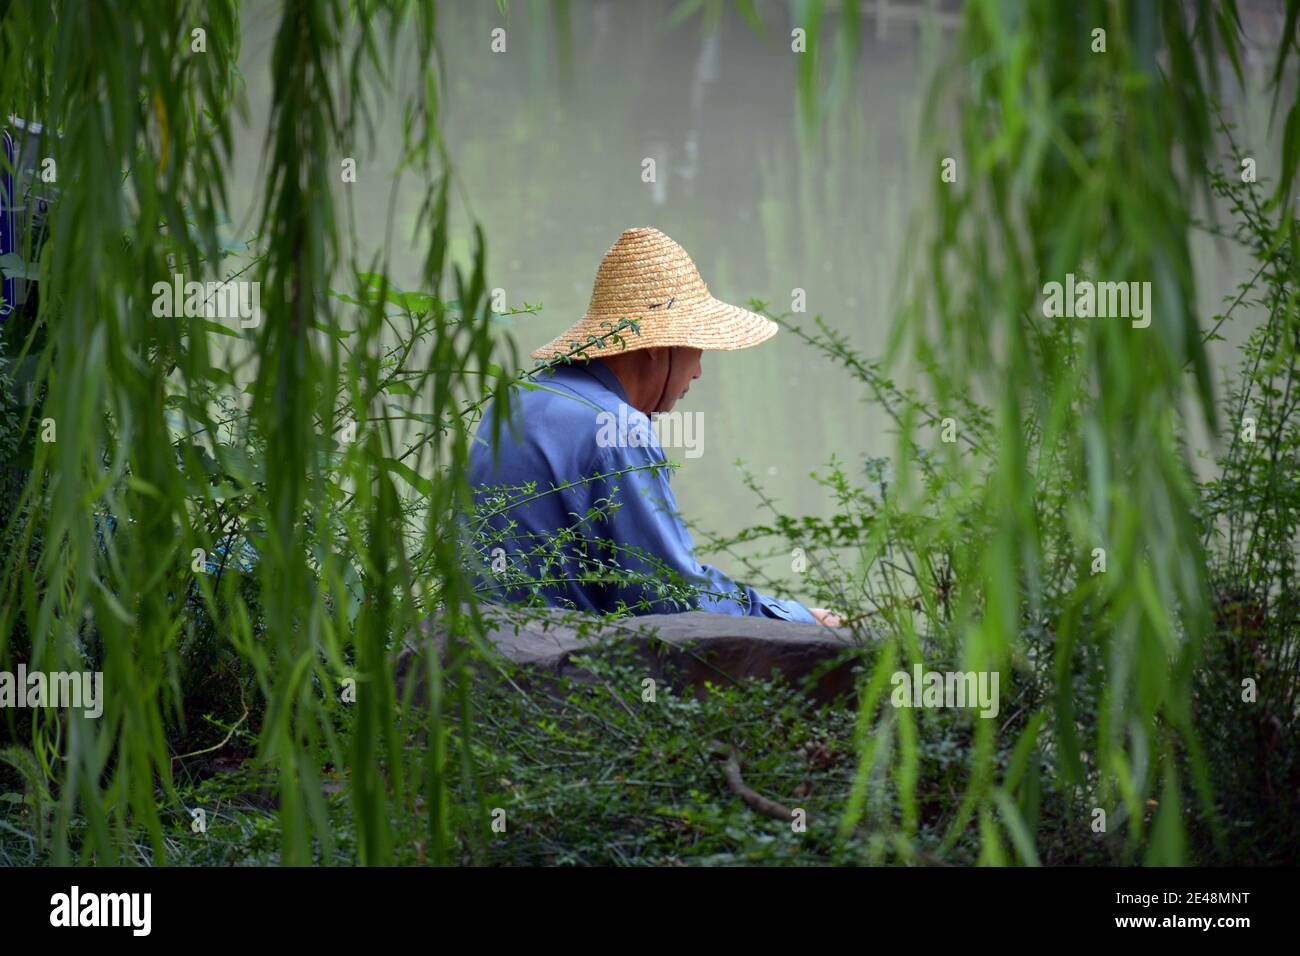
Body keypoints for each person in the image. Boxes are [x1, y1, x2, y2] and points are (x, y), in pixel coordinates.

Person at [467, 226, 840, 626]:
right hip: (555, 665)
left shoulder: (519, 399)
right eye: (696, 351)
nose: (697, 372)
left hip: (485, 646)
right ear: (658, 349)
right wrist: (801, 620)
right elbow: (669, 597)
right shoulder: (617, 429)